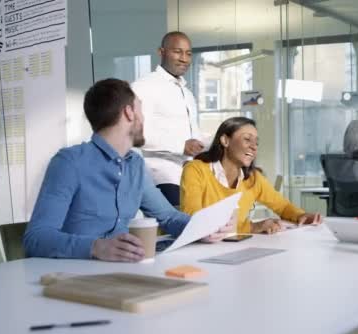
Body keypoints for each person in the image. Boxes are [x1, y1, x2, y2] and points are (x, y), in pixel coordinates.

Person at [23, 79, 225, 262]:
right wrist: (95, 247)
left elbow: (169, 217)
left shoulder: (135, 164)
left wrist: (205, 227)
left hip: (122, 271)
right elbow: (36, 238)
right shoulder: (70, 162)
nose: (144, 119)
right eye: (141, 111)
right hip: (73, 276)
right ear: (129, 112)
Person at [180, 117, 321, 235]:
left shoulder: (253, 178)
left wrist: (301, 215)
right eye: (247, 139)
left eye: (256, 143)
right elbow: (195, 221)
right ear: (225, 141)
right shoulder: (195, 170)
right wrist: (252, 227)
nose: (254, 146)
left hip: (228, 249)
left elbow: (282, 206)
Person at [132, 31, 206, 206]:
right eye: (177, 52)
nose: (184, 58)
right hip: (161, 176)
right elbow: (136, 134)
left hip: (191, 174)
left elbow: (192, 132)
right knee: (176, 226)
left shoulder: (186, 93)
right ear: (161, 52)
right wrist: (181, 146)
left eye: (188, 53)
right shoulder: (143, 87)